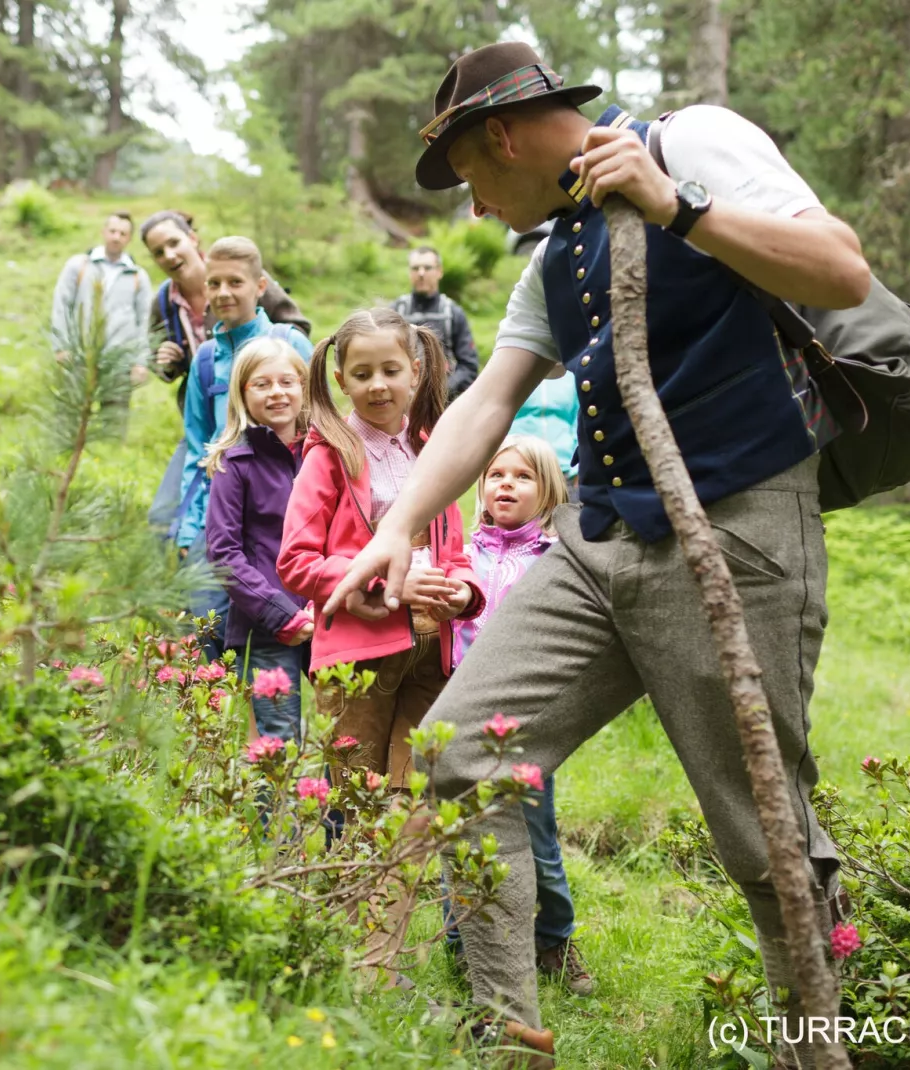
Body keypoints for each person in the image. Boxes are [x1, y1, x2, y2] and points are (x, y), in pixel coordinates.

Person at [323, 41, 872, 1067]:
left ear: (500, 133)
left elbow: (841, 266)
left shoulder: (694, 140)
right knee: (460, 751)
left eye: (472, 177)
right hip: (595, 540)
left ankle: (817, 1047)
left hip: (733, 530)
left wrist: (678, 209)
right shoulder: (552, 257)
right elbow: (489, 400)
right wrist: (394, 529)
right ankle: (508, 1035)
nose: (475, 209)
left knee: (764, 838)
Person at [277, 305, 485, 975]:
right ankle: (349, 962)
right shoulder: (330, 455)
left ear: (415, 370)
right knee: (361, 810)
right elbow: (298, 561)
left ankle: (376, 964)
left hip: (434, 656)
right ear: (340, 377)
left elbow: (455, 550)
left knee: (412, 809)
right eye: (360, 373)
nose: (376, 385)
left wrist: (462, 593)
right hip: (359, 661)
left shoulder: (433, 449)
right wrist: (387, 590)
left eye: (391, 370)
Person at [443, 435, 590, 996]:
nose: (506, 483)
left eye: (523, 476)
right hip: (461, 710)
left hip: (526, 720)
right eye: (496, 474)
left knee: (536, 836)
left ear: (549, 491)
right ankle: (460, 942)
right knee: (457, 833)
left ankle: (554, 937)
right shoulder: (461, 552)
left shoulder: (556, 562)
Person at [176, 237, 314, 662]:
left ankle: (279, 717)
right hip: (218, 514)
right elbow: (195, 444)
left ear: (260, 285)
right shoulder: (204, 360)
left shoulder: (288, 342)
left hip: (277, 514)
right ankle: (219, 721)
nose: (222, 293)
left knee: (281, 630)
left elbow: (317, 418)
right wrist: (186, 526)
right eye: (213, 283)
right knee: (207, 626)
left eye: (234, 281)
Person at [139, 210, 310, 531]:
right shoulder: (163, 300)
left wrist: (268, 366)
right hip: (212, 414)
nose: (169, 255)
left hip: (273, 418)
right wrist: (171, 363)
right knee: (167, 520)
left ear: (192, 239)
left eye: (173, 243)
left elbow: (295, 326)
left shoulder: (237, 264)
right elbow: (157, 358)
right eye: (158, 252)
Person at [203, 337, 315, 742]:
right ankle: (276, 809)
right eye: (262, 384)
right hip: (268, 626)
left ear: (304, 386)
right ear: (242, 394)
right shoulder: (234, 464)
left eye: (287, 381)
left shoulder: (327, 454)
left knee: (346, 737)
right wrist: (281, 614)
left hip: (331, 617)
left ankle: (337, 810)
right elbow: (223, 554)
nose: (277, 393)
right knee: (278, 741)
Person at [49, 212, 151, 380]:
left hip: (119, 362)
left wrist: (140, 361)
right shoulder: (79, 265)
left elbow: (145, 320)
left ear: (129, 239)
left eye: (123, 234)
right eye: (112, 231)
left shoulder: (137, 276)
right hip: (78, 357)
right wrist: (61, 347)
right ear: (103, 232)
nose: (116, 237)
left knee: (116, 406)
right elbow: (62, 305)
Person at [391, 247, 481, 401]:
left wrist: (440, 391)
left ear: (439, 272)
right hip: (402, 403)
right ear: (409, 272)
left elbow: (469, 367)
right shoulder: (395, 312)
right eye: (415, 268)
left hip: (443, 405)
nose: (421, 273)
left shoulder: (452, 313)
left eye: (427, 268)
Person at [509, 371, 580, 489]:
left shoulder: (572, 376)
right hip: (518, 464)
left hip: (562, 467)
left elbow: (579, 422)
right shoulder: (512, 371)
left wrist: (578, 468)